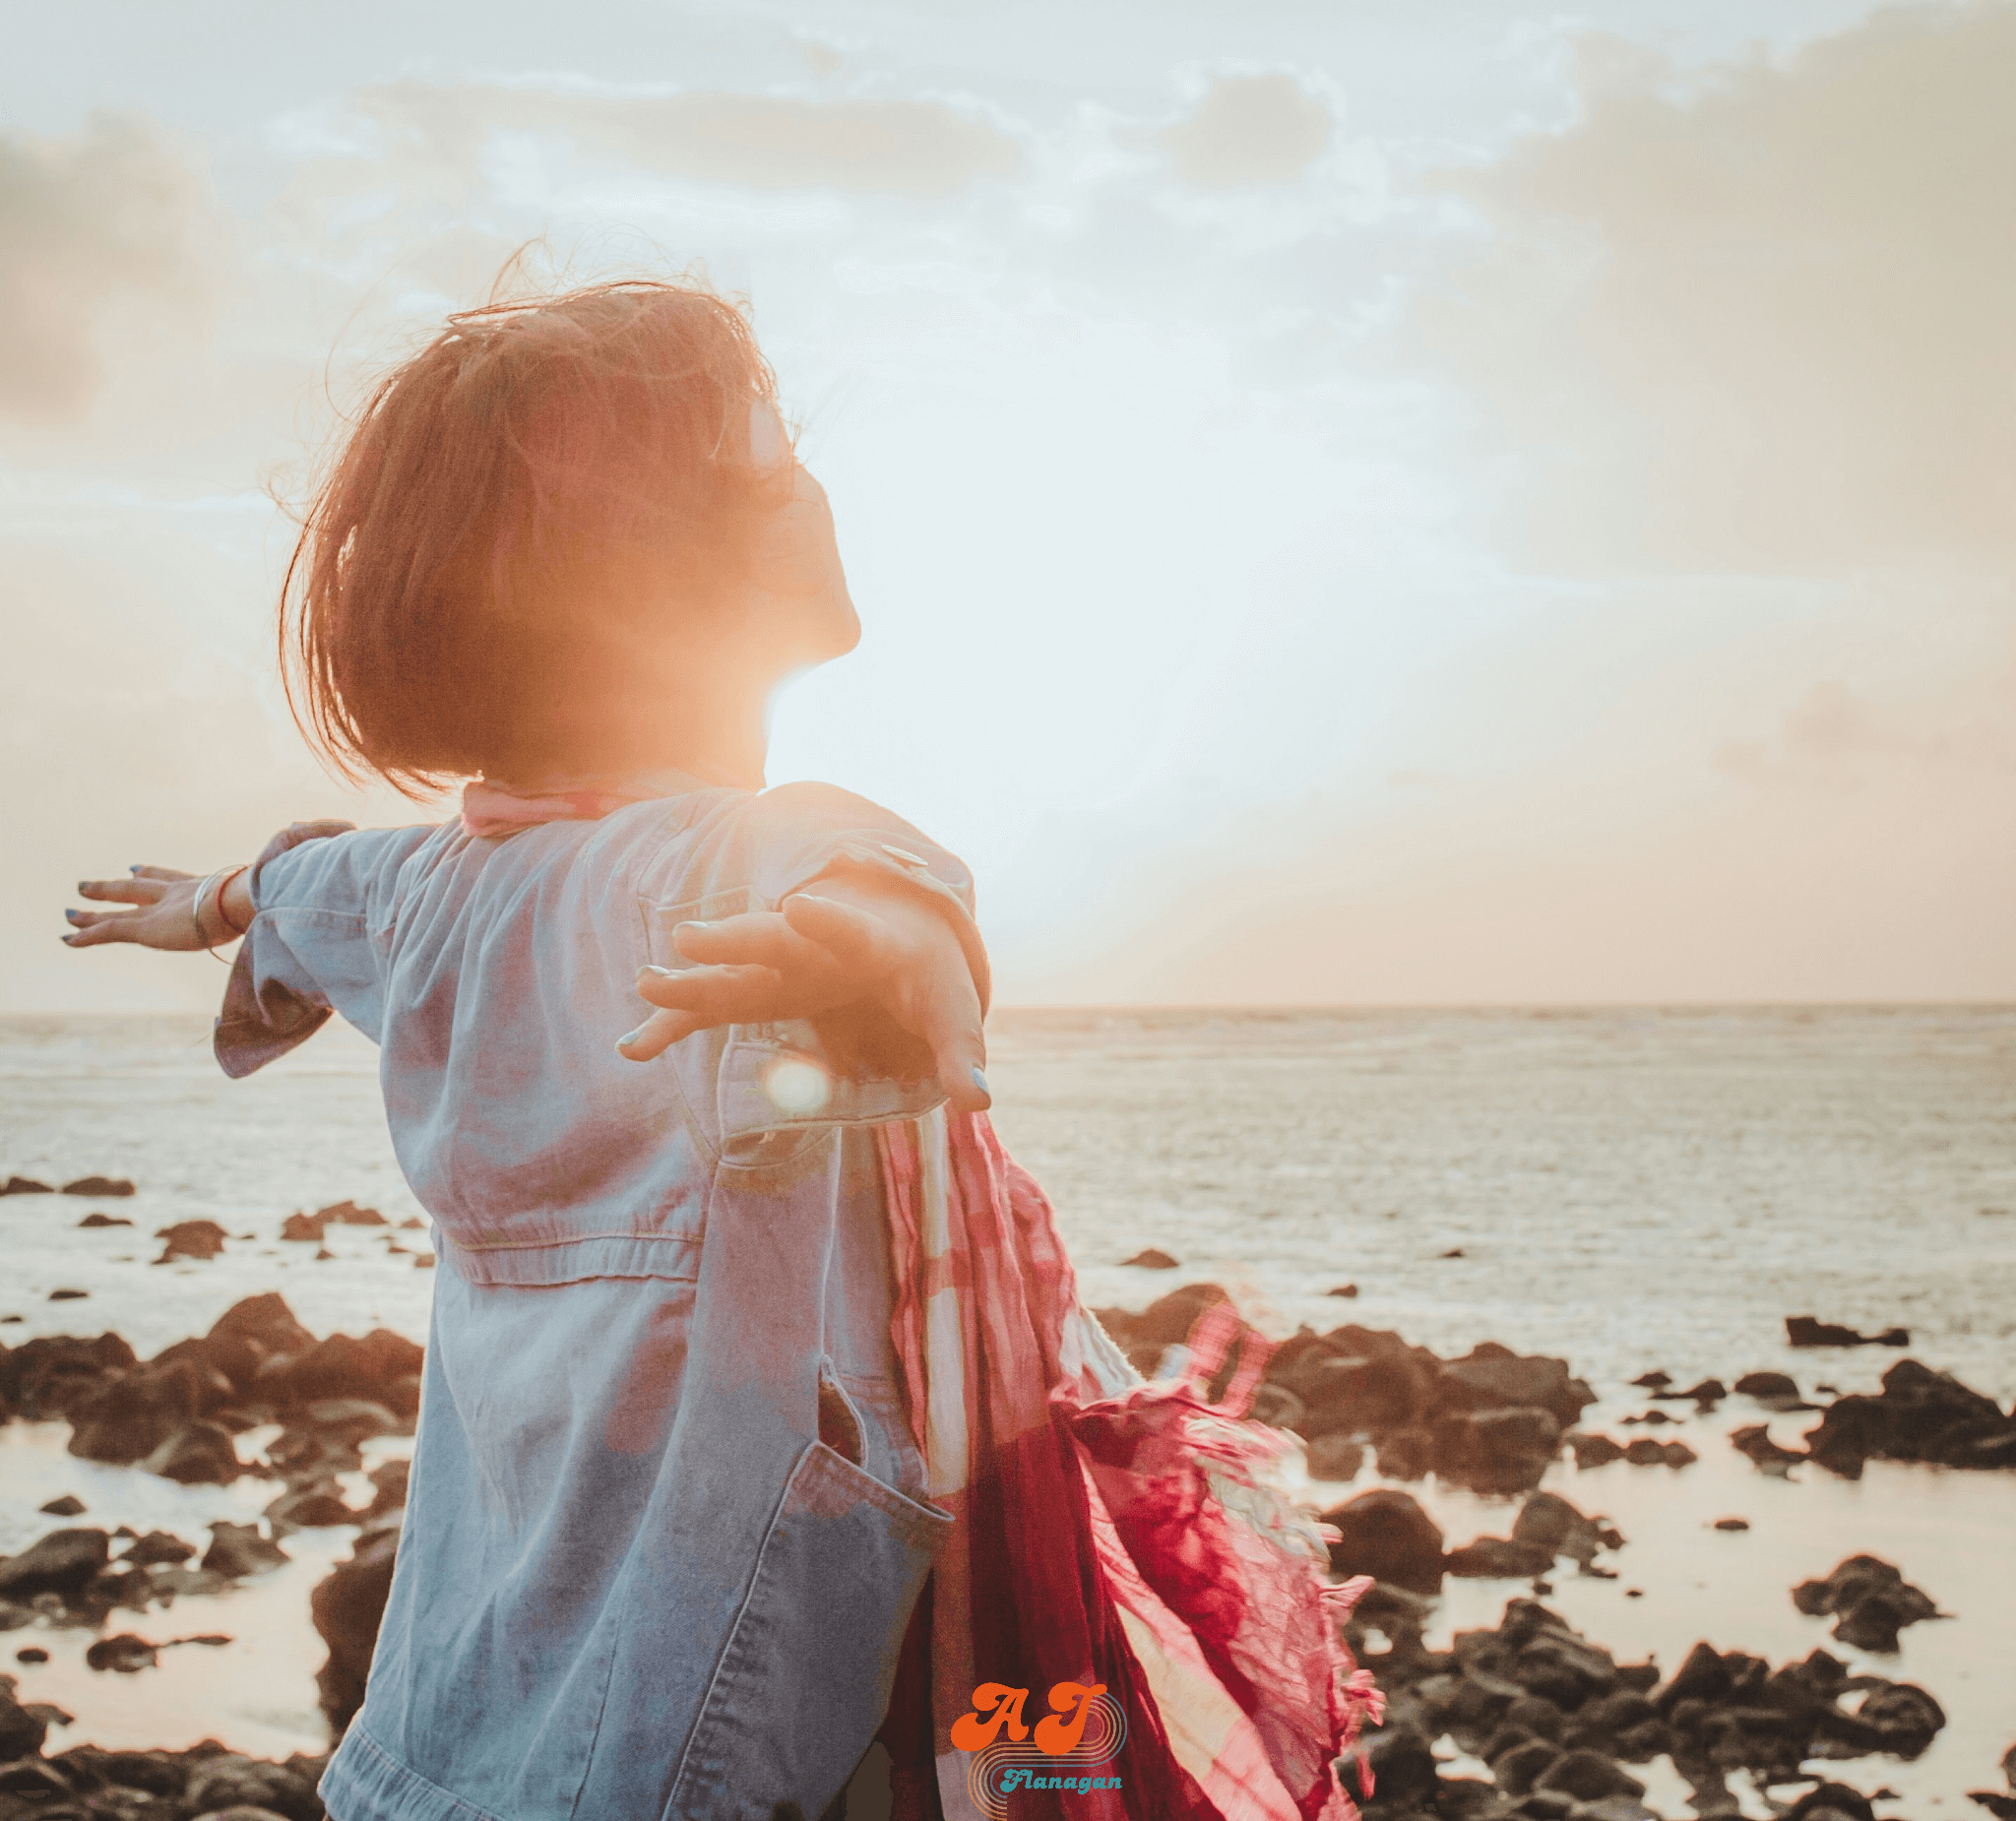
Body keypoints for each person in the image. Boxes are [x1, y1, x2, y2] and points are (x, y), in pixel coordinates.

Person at [62, 278, 1006, 1821]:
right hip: (733, 1699)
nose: (812, 476)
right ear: (640, 566)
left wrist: (209, 899)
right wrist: (885, 961)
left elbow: (306, 885)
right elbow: (866, 886)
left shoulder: (428, 885)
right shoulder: (738, 858)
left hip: (482, 1691)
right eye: (768, 449)